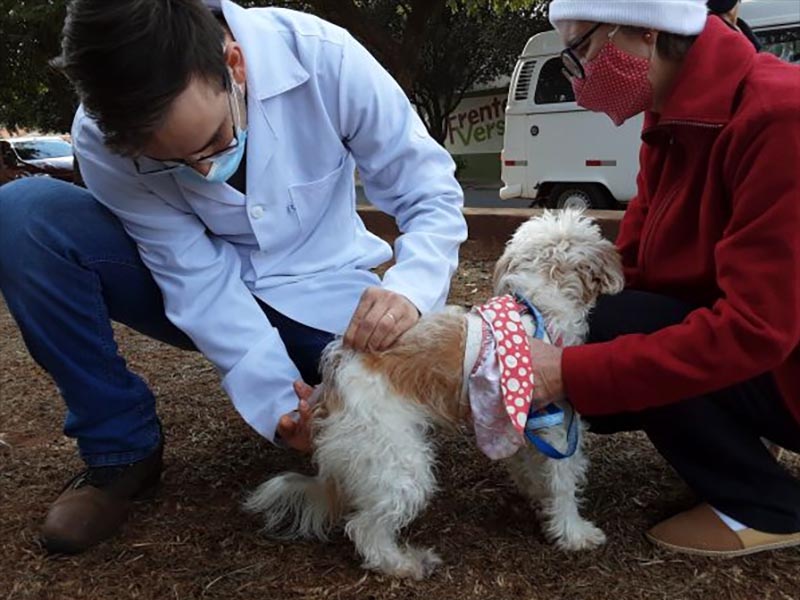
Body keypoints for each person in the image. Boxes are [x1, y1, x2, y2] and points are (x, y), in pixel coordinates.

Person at [0, 0, 466, 554]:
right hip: (179, 291)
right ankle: (119, 453)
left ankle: (328, 389)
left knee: (378, 395)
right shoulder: (103, 134)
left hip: (321, 293)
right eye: (171, 163)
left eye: (215, 139)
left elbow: (428, 192)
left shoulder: (322, 55)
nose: (204, 171)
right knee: (25, 215)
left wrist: (408, 290)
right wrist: (274, 401)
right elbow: (194, 274)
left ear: (235, 64)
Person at [529, 0, 800, 557]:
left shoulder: (779, 117)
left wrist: (572, 371)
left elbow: (756, 328)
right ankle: (746, 443)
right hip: (780, 357)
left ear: (646, 32)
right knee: (605, 321)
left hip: (783, 353)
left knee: (610, 338)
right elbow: (635, 265)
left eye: (580, 51)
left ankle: (765, 506)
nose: (579, 78)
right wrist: (533, 309)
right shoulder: (674, 112)